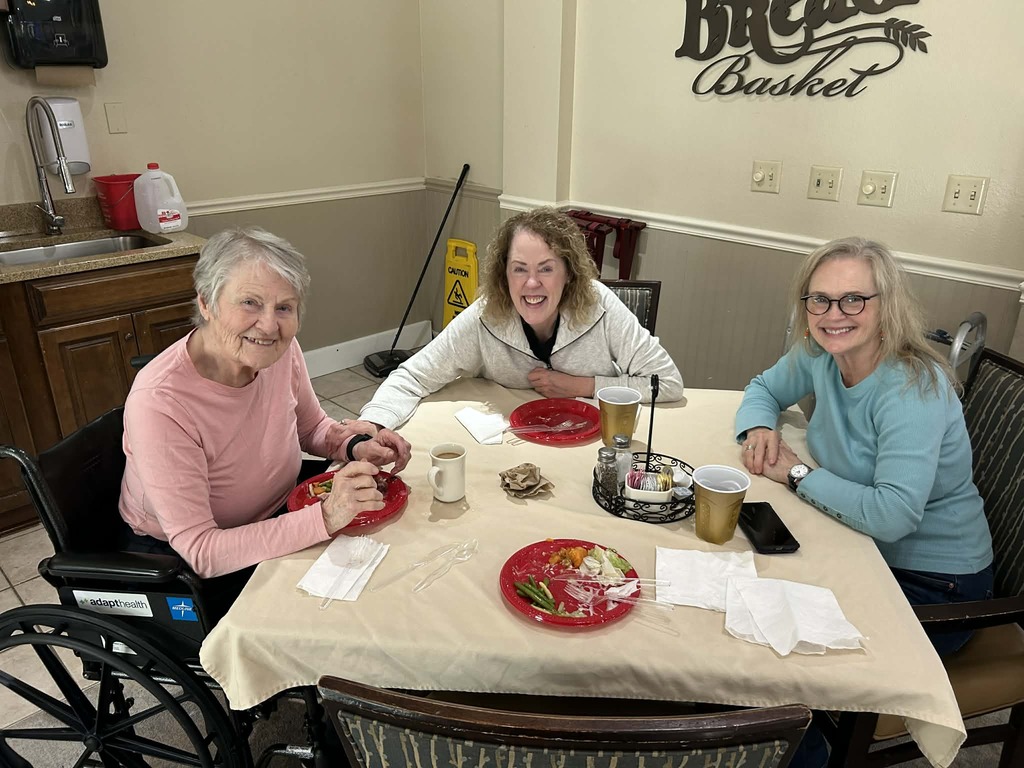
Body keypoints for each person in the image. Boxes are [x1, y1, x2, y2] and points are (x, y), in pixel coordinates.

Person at [119, 227, 412, 617]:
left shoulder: (280, 351)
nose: (270, 326)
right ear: (206, 302)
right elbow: (202, 551)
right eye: (250, 303)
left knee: (393, 569)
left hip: (283, 510)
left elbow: (311, 428)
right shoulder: (160, 402)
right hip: (192, 563)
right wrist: (325, 517)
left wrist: (357, 445)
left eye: (284, 307)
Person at [735, 236, 993, 657]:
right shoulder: (818, 352)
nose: (833, 314)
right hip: (858, 543)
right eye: (820, 299)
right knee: (748, 596)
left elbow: (892, 516)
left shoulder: (912, 388)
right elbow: (764, 388)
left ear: (886, 306)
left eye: (853, 299)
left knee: (784, 650)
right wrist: (760, 427)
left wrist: (798, 474)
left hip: (933, 583)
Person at [360, 207, 683, 429]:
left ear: (569, 273)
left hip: (590, 443)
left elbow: (667, 384)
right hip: (510, 444)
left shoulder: (601, 304)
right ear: (503, 274)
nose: (531, 283)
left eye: (546, 268)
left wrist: (581, 386)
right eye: (519, 269)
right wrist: (371, 425)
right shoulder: (485, 315)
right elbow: (413, 376)